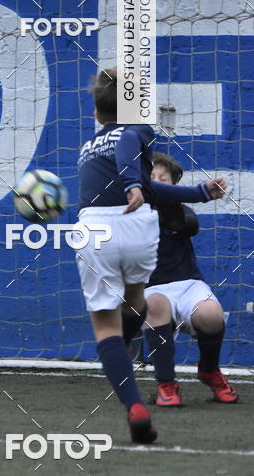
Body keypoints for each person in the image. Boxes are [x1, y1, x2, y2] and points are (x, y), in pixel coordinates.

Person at [76, 67, 160, 444]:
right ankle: (125, 345)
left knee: (105, 326)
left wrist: (131, 184)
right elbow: (128, 145)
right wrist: (199, 193)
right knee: (136, 301)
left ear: (97, 114)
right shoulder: (138, 130)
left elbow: (123, 146)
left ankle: (134, 406)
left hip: (95, 226)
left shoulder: (87, 148)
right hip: (136, 222)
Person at [144, 151, 238, 407]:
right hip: (152, 290)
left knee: (211, 313)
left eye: (163, 178)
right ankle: (167, 383)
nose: (156, 182)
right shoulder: (128, 213)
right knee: (155, 305)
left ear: (173, 186)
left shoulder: (179, 211)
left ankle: (209, 370)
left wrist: (170, 214)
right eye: (150, 177)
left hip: (188, 285)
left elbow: (190, 223)